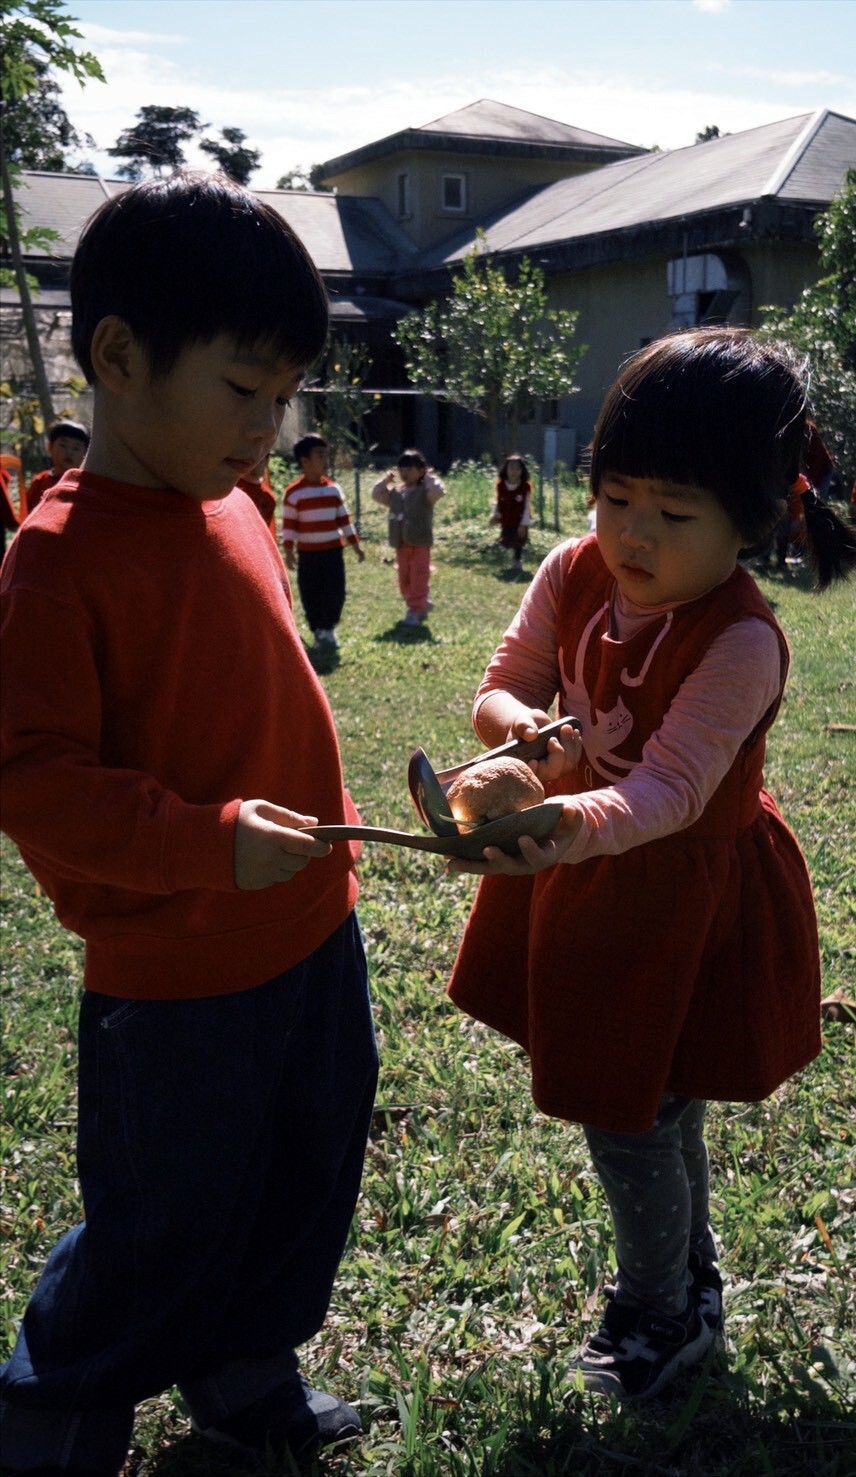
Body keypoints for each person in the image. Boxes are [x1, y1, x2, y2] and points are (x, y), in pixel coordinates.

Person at [0, 172, 378, 1474]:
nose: (272, 428)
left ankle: (245, 1369)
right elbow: (35, 782)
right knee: (162, 1216)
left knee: (299, 1177)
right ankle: (54, 1410)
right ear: (116, 356)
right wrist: (206, 838)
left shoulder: (233, 503)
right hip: (177, 975)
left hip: (315, 935)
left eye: (288, 400)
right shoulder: (57, 557)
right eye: (243, 390)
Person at [445, 328, 856, 1403]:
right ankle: (685, 1280)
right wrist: (522, 739)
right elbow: (503, 681)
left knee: (630, 1108)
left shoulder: (741, 640)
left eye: (673, 514)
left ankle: (660, 1310)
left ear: (753, 520)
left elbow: (669, 792)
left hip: (680, 893)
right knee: (648, 1102)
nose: (631, 534)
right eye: (613, 496)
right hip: (587, 866)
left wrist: (562, 819)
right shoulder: (571, 569)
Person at [282, 433, 365, 647]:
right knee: (311, 592)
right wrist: (289, 551)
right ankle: (318, 628)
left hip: (333, 552)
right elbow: (290, 526)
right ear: (304, 461)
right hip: (308, 554)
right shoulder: (294, 494)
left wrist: (356, 546)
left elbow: (345, 520)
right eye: (320, 455)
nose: (325, 460)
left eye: (326, 455)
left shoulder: (333, 489)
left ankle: (328, 627)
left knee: (335, 591)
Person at [371, 448, 446, 625]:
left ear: (420, 471)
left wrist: (429, 477)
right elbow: (376, 495)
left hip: (420, 543)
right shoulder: (396, 493)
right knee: (404, 580)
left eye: (409, 469)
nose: (404, 473)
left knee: (419, 577)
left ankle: (415, 610)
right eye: (401, 469)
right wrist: (385, 481)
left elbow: (439, 492)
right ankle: (421, 604)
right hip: (401, 543)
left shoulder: (426, 492)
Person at [24, 420, 90, 517]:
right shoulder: (40, 481)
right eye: (63, 445)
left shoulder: (86, 485)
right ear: (50, 447)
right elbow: (28, 513)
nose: (69, 452)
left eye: (76, 448)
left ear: (85, 453)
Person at [492, 453, 533, 574]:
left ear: (522, 470)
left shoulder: (525, 487)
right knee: (506, 539)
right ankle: (503, 560)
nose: (514, 471)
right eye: (511, 468)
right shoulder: (501, 485)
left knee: (518, 541)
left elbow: (527, 506)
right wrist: (495, 515)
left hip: (520, 519)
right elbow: (498, 501)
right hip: (506, 518)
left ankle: (517, 561)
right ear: (506, 469)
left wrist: (523, 524)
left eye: (517, 469)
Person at [237, 449, 279, 541]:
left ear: (266, 461)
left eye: (260, 460)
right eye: (250, 460)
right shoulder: (232, 489)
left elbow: (266, 530)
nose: (254, 465)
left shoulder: (268, 498)